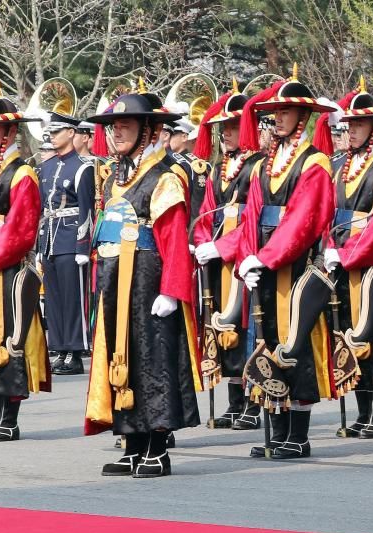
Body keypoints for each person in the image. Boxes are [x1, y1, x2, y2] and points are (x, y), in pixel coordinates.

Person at [84, 93, 200, 477]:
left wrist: (172, 289)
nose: (116, 132)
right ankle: (132, 442)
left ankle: (156, 447)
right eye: (114, 126)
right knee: (122, 357)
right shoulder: (116, 176)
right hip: (116, 278)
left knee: (152, 360)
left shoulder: (164, 175)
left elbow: (173, 237)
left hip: (149, 279)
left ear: (149, 130)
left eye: (126, 126)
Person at [235, 70, 337, 459]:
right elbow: (251, 214)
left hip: (295, 266)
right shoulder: (263, 164)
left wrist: (266, 255)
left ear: (302, 115)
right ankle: (276, 431)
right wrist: (247, 255)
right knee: (267, 338)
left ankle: (298, 434)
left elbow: (304, 219)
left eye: (284, 112)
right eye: (273, 112)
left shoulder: (315, 163)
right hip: (263, 261)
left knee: (297, 345)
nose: (276, 118)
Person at [322, 78, 373, 439]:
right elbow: (328, 212)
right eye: (349, 125)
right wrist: (330, 247)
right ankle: (363, 409)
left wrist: (350, 254)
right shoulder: (340, 167)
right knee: (346, 333)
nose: (351, 131)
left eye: (358, 125)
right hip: (341, 257)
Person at [192, 81, 265, 430]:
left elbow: (252, 218)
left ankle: (253, 402)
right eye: (223, 128)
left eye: (233, 127)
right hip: (220, 261)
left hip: (243, 255)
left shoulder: (259, 167)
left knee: (248, 329)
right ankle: (234, 402)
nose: (226, 134)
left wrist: (222, 246)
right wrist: (205, 241)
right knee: (224, 331)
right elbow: (206, 212)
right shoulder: (218, 170)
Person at [0, 82, 50, 442]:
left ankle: (7, 417)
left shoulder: (22, 174)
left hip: (7, 268)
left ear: (11, 131)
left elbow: (20, 232)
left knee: (11, 339)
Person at [37, 112, 95, 376]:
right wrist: (39, 246)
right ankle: (60, 348)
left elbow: (86, 210)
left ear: (71, 133)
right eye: (51, 131)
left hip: (71, 239)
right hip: (49, 239)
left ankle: (75, 351)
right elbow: (42, 209)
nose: (52, 135)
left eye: (58, 131)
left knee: (73, 299)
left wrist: (83, 247)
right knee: (54, 299)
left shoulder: (83, 167)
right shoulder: (46, 168)